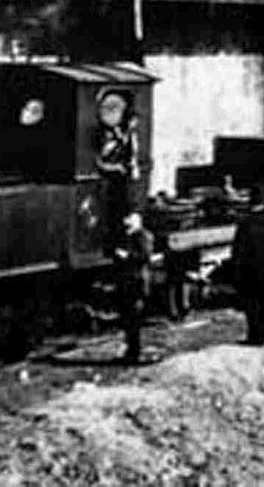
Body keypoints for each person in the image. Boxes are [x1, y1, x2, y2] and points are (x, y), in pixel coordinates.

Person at [230, 188, 264, 346]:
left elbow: (237, 249)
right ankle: (262, 337)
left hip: (249, 270)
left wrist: (235, 270)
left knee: (251, 306)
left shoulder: (244, 222)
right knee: (263, 306)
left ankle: (253, 336)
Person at [96, 92, 141, 243]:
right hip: (109, 176)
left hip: (122, 176)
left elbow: (132, 156)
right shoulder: (105, 134)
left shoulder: (124, 134)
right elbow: (99, 160)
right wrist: (114, 167)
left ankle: (125, 231)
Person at [113, 212, 155, 364]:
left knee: (134, 319)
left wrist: (127, 256)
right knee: (128, 318)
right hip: (128, 282)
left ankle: (134, 353)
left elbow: (145, 256)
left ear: (137, 221)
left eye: (129, 219)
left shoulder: (143, 236)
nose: (125, 221)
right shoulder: (129, 235)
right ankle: (130, 351)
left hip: (137, 282)